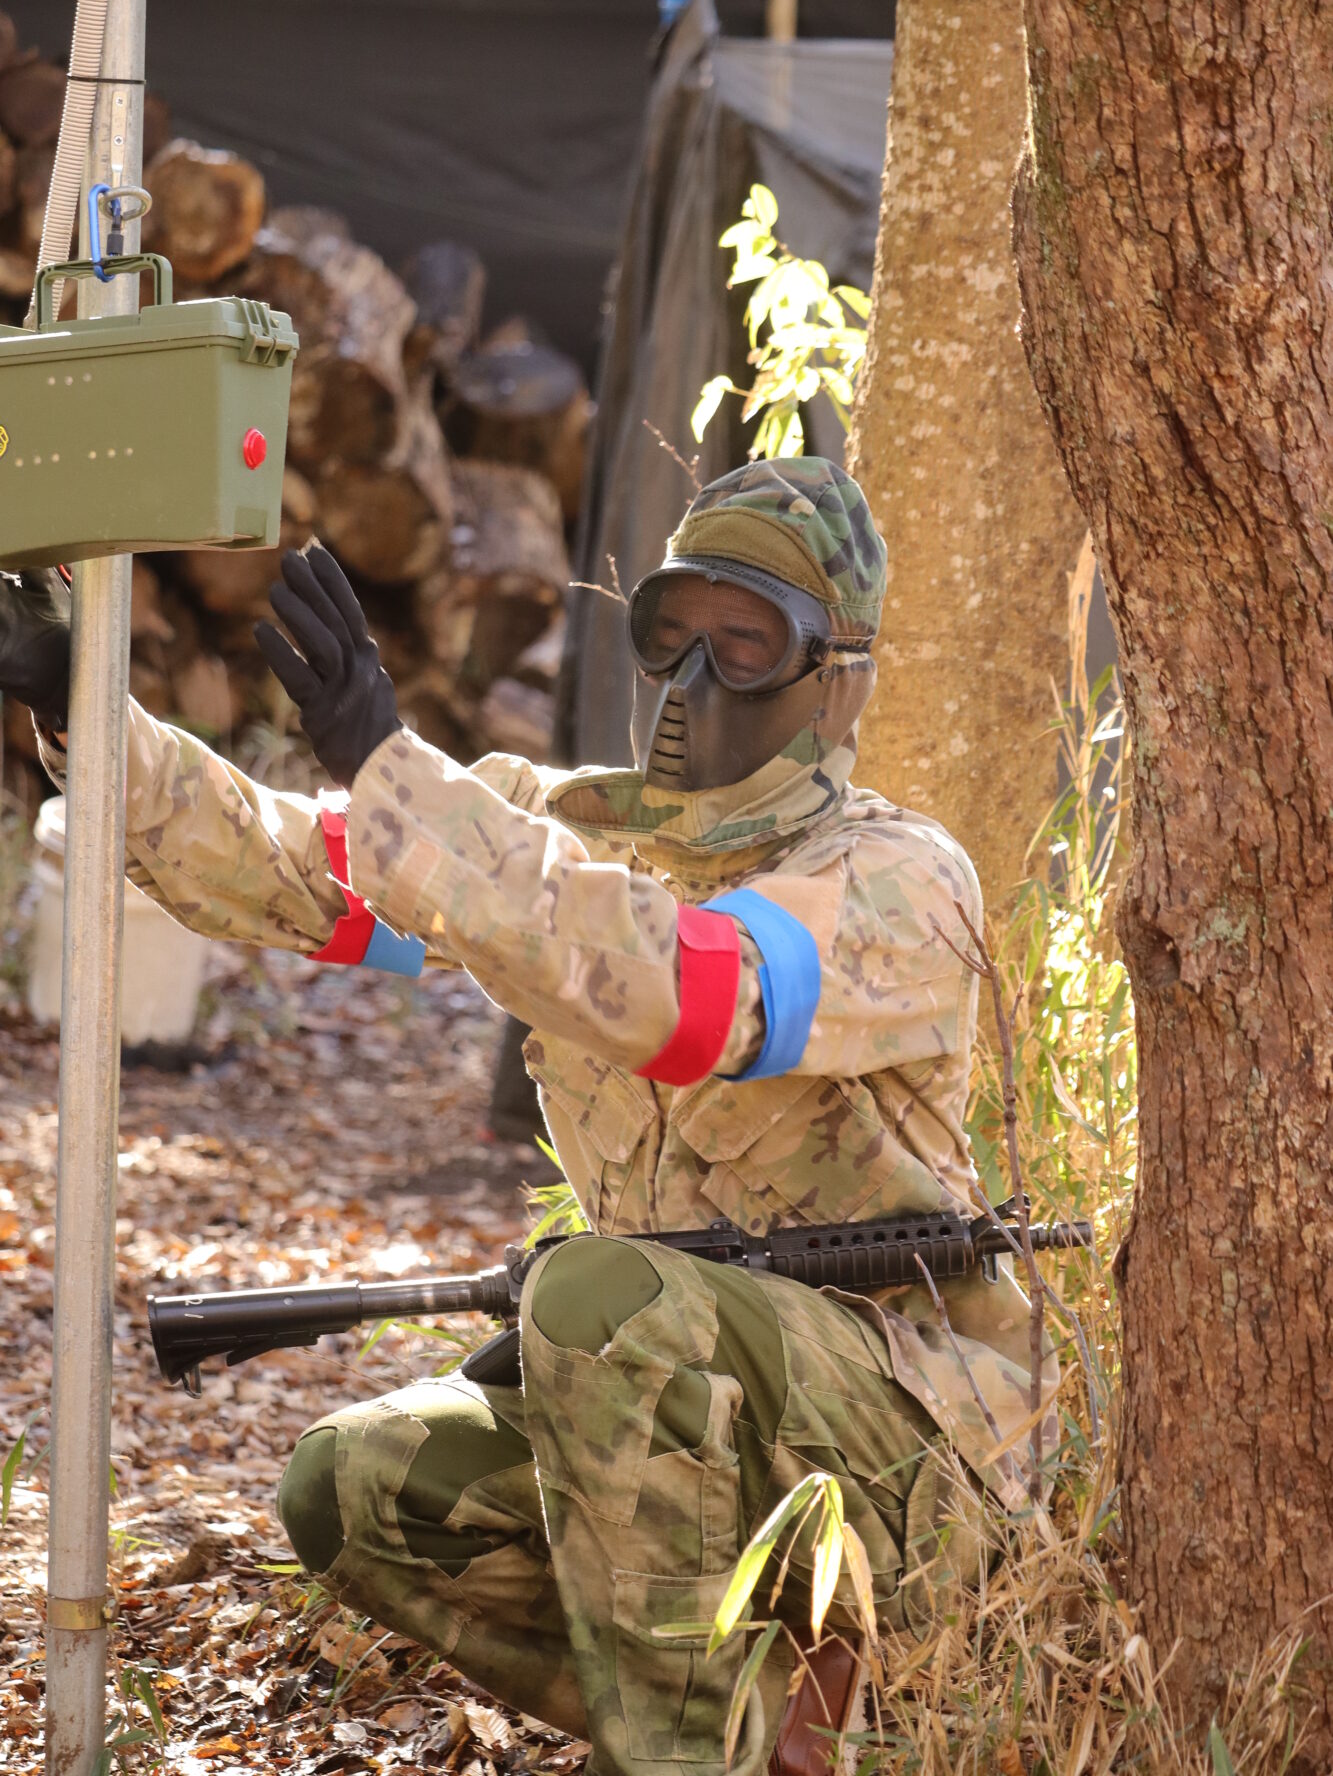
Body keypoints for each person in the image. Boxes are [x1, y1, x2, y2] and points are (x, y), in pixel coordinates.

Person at [0, 459, 1055, 1776]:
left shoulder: (898, 880)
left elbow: (688, 992)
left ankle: (701, 1750)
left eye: (744, 643)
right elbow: (284, 872)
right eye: (671, 630)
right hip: (675, 1415)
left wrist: (396, 778)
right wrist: (84, 704)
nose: (691, 680)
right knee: (357, 1489)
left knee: (603, 1299)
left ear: (836, 680)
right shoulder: (566, 835)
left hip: (912, 1466)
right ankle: (764, 1731)